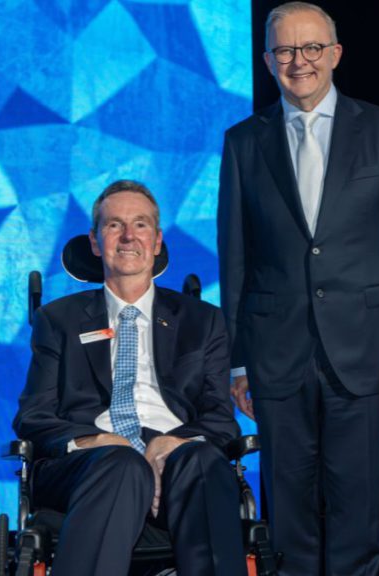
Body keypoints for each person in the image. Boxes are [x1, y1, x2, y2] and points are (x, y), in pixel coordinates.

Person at [217, 3, 379, 574]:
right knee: (284, 506)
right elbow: (235, 258)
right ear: (268, 61)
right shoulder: (242, 141)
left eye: (312, 48)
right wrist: (238, 361)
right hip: (274, 351)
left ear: (335, 54)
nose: (300, 61)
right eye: (286, 50)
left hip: (366, 350)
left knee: (356, 505)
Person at [13, 180, 247, 576]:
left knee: (203, 461)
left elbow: (221, 420)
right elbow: (33, 417)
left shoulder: (202, 321)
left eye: (140, 226)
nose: (127, 237)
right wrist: (100, 441)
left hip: (179, 454)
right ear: (94, 240)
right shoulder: (58, 320)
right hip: (90, 459)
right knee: (122, 464)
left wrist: (169, 444)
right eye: (113, 225)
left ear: (156, 242)